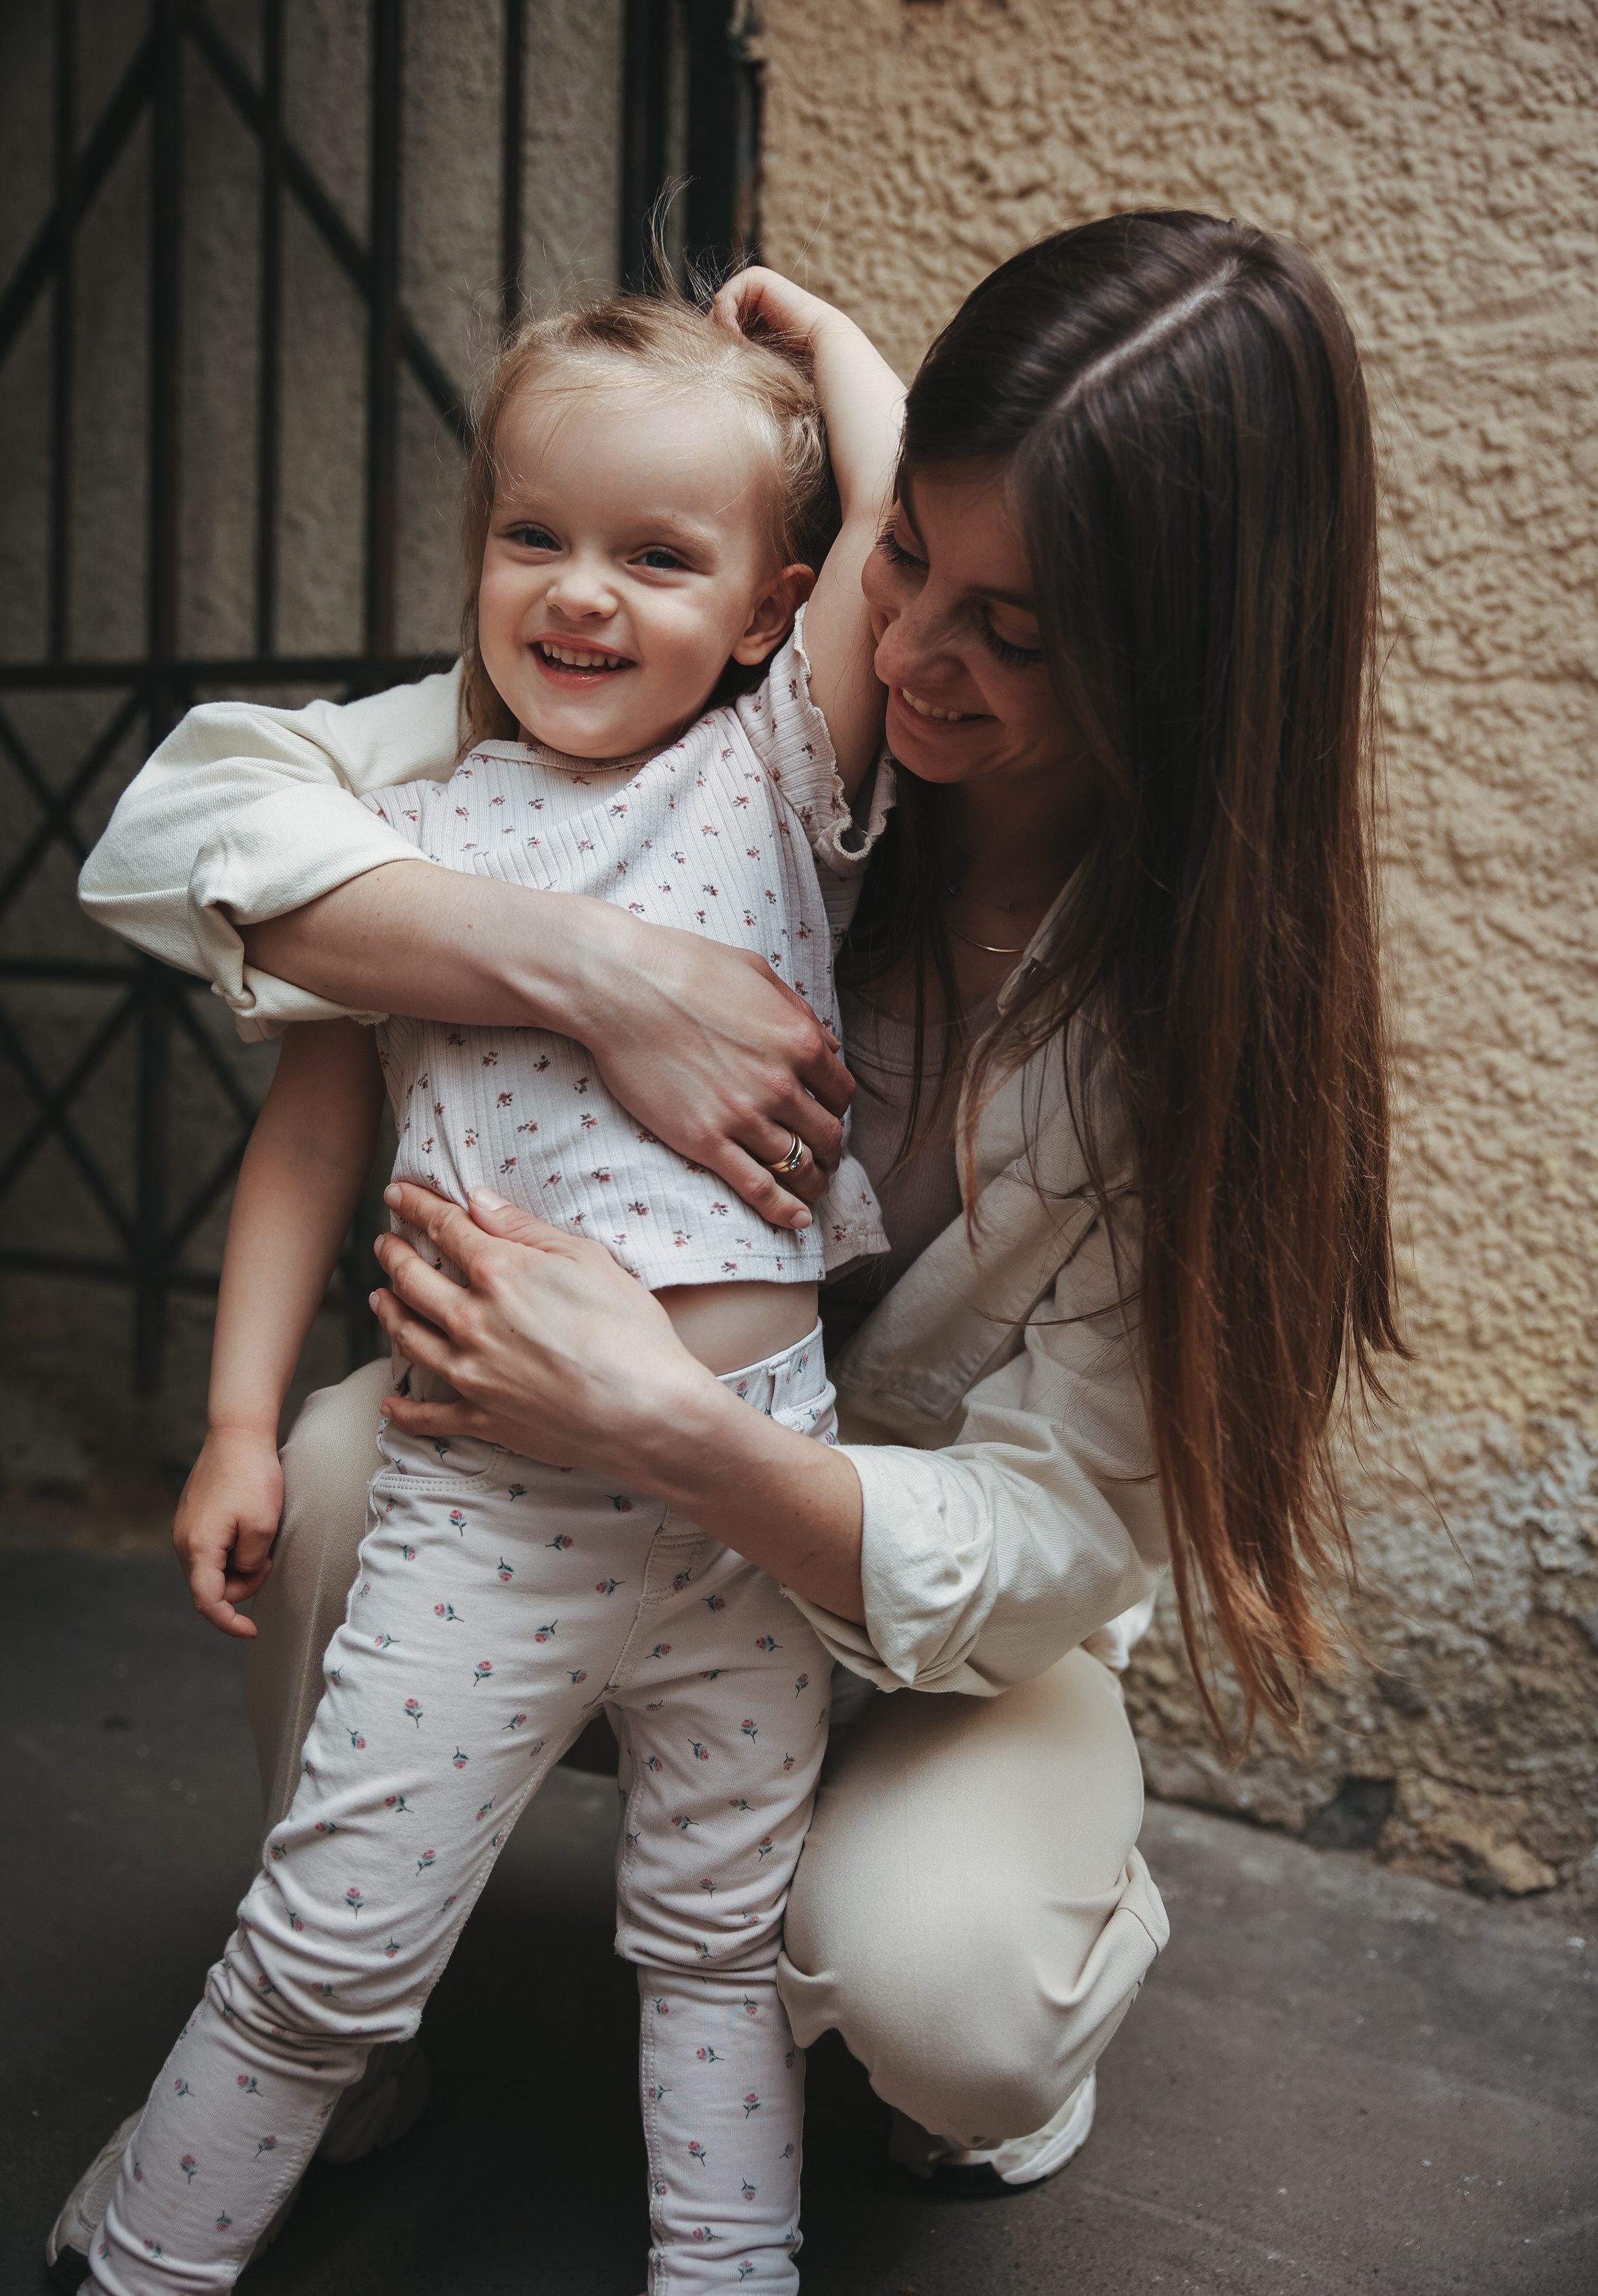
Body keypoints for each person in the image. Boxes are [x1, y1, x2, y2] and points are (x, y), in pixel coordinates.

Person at [54, 212, 1401, 2288]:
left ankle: (983, 1988)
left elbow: (1070, 1528)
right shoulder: (614, 748)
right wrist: (598, 970)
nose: (920, 650)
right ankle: (271, 2114)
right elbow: (192, 832)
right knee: (333, 1504)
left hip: (881, 1590)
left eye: (1017, 633)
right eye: (907, 566)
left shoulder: (939, 860)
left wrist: (683, 1436)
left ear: (1180, 665)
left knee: (874, 1972)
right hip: (520, 1509)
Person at [75, 275, 908, 2296]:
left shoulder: (776, 776)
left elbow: (897, 524)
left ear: (771, 611)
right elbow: (308, 1144)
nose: (582, 593)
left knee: (716, 1945)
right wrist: (242, 1422)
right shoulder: (399, 844)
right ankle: (146, 2260)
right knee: (331, 1945)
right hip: (488, 1515)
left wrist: (826, 341)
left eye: (660, 556)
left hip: (750, 1500)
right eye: (535, 534)